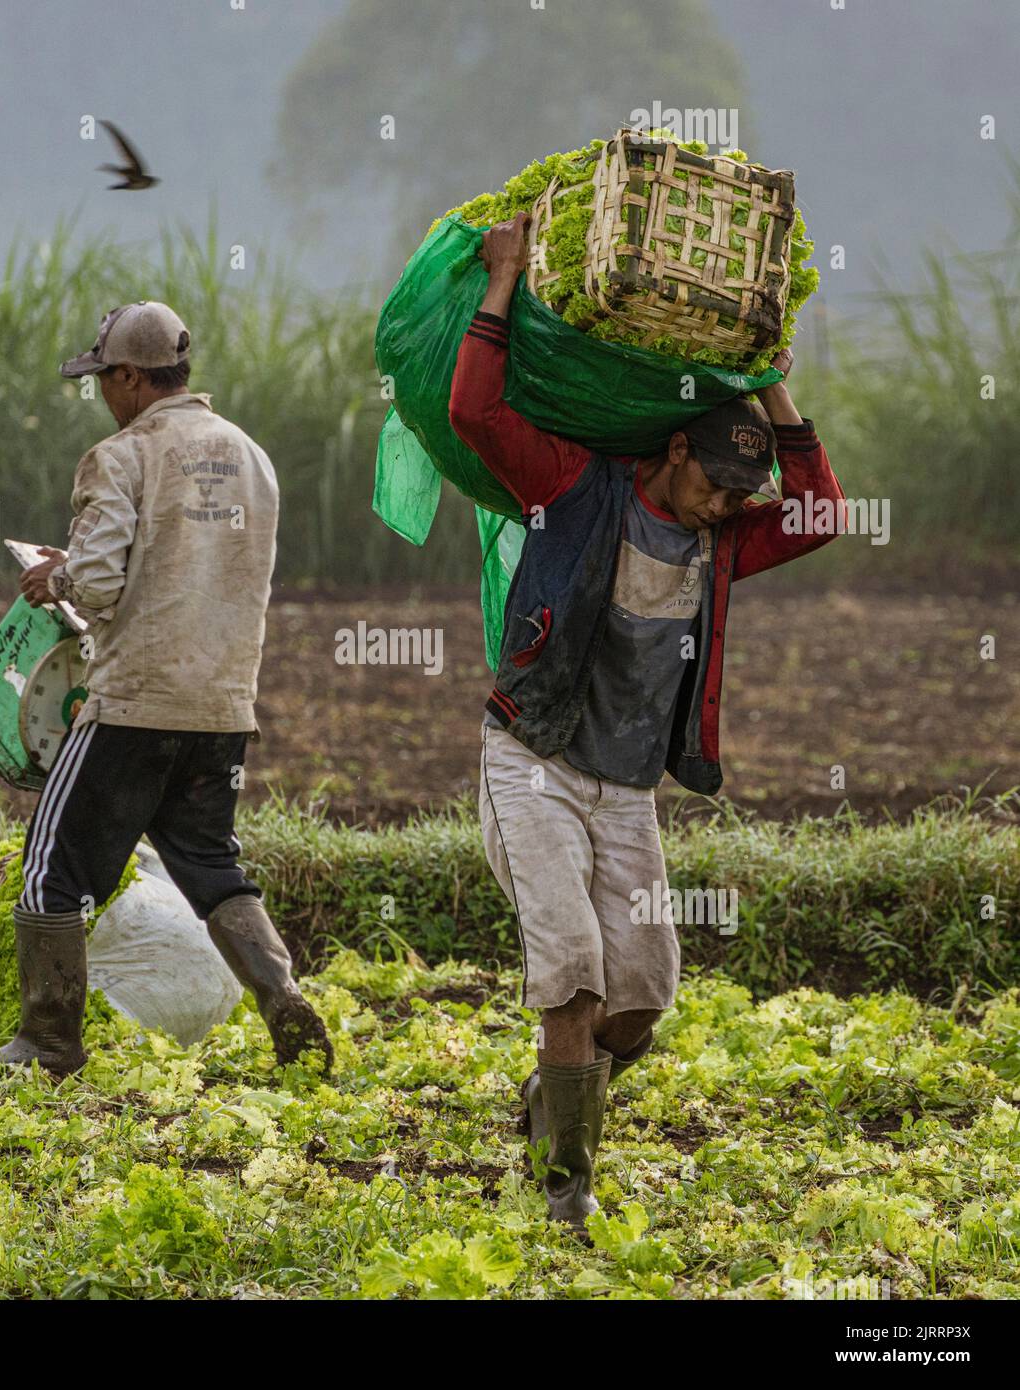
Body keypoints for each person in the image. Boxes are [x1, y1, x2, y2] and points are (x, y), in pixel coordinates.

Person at [449, 213, 845, 1233]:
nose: (723, 506)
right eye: (713, 484)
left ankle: (552, 1099)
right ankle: (562, 1187)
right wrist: (501, 283)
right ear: (674, 451)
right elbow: (477, 415)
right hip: (530, 763)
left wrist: (768, 380)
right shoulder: (574, 490)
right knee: (572, 978)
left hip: (626, 790)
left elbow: (819, 511)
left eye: (736, 495)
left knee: (637, 1002)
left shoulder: (723, 545)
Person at [0, 300, 331, 1077]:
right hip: (223, 706)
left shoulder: (122, 456)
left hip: (133, 702)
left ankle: (47, 1040)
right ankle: (279, 994)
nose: (103, 392)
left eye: (105, 377)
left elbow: (98, 580)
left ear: (133, 376)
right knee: (209, 861)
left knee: (51, 866)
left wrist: (53, 575)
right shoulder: (251, 456)